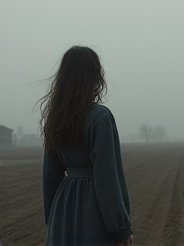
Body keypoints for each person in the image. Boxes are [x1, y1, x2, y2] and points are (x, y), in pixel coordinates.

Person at [39, 46, 133, 246]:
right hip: (94, 214)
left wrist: (54, 219)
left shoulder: (56, 119)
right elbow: (107, 178)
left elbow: (50, 177)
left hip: (62, 212)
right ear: (95, 77)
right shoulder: (101, 117)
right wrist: (121, 229)